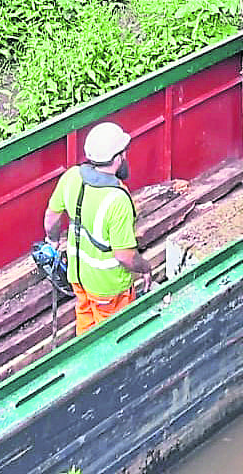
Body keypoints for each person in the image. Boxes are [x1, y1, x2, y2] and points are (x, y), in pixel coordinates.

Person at [43, 121, 152, 335]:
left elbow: (51, 216)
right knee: (115, 335)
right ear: (117, 158)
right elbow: (124, 255)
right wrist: (145, 268)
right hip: (108, 288)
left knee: (86, 326)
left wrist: (53, 241)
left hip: (78, 276)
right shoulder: (117, 198)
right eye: (124, 153)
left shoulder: (72, 177)